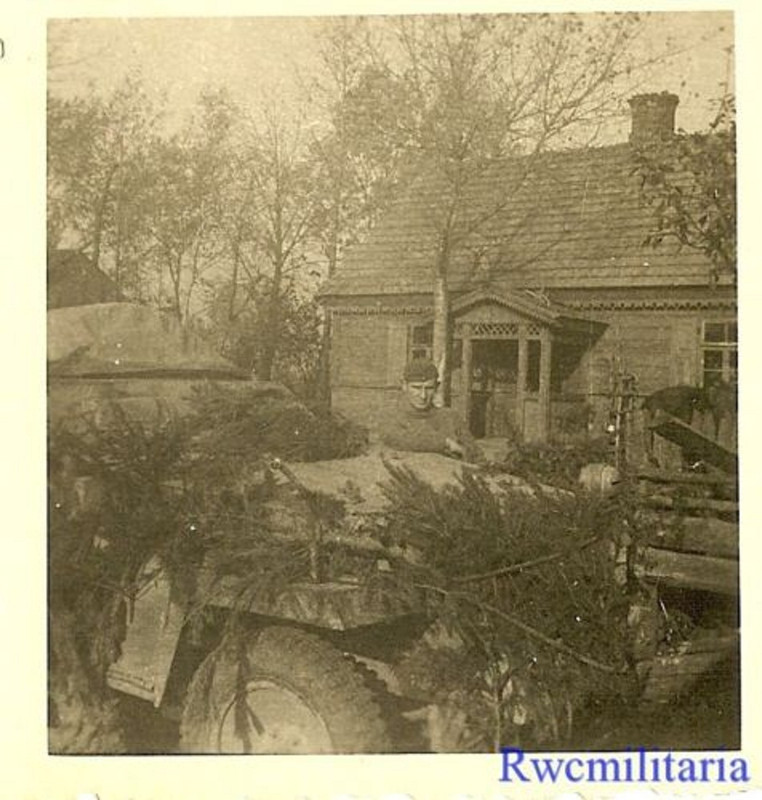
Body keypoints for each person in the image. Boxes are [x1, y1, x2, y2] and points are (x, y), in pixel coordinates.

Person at [373, 359, 482, 461]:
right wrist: (445, 443)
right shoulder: (390, 416)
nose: (423, 395)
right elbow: (397, 439)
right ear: (404, 385)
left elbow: (477, 457)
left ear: (437, 387)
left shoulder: (450, 418)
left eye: (429, 388)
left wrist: (465, 453)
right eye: (416, 388)